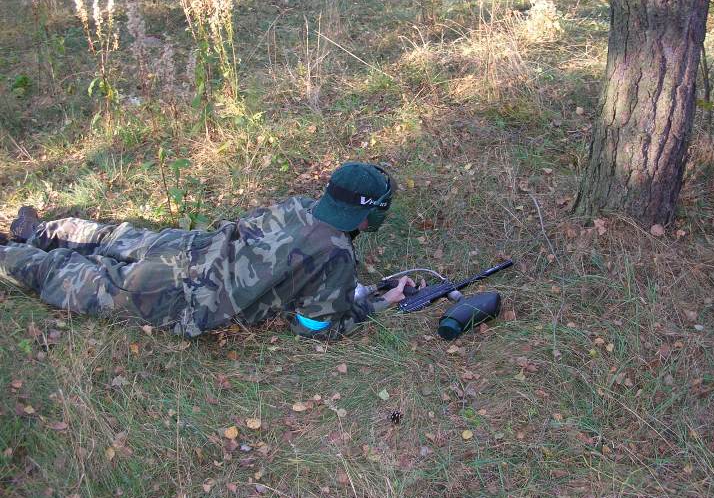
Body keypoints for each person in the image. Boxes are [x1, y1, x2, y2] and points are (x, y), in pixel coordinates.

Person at [0, 162, 417, 339]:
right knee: (81, 280)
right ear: (370, 214)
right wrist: (374, 304)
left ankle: (37, 232)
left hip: (190, 247)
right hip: (187, 294)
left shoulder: (299, 206)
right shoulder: (336, 255)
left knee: (113, 238)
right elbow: (313, 327)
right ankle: (10, 255)